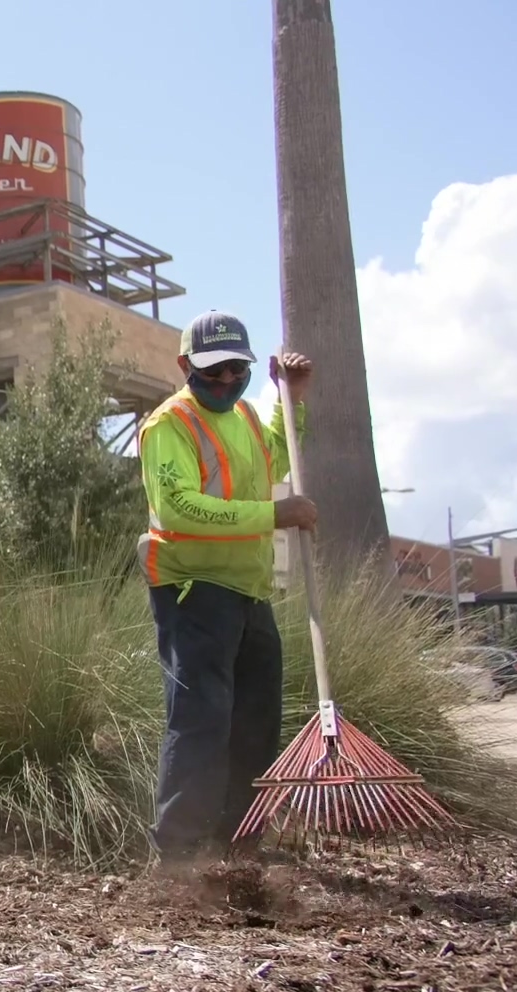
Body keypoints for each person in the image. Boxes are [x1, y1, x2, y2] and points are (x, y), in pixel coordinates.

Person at [135, 309, 314, 867]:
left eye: (236, 371)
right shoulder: (170, 425)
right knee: (202, 721)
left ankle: (238, 846)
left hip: (249, 593)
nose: (224, 382)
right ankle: (179, 856)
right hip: (194, 590)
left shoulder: (245, 418)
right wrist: (274, 514)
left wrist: (290, 398)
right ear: (186, 365)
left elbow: (277, 457)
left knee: (256, 723)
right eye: (211, 373)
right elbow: (179, 508)